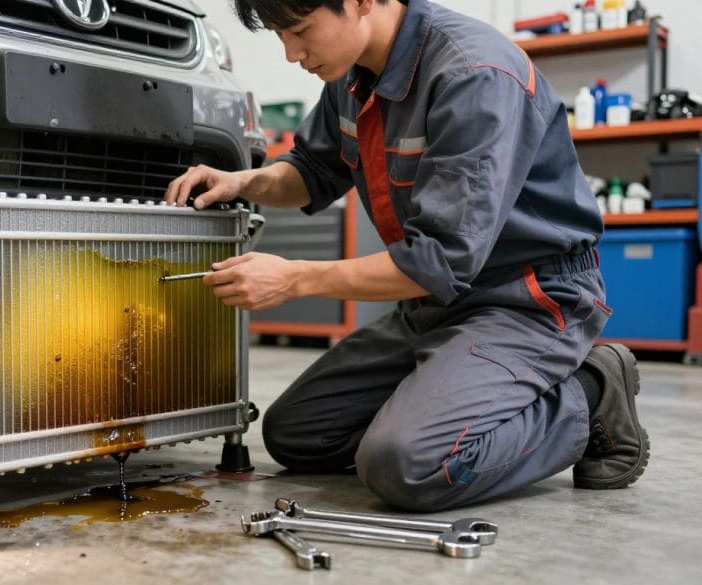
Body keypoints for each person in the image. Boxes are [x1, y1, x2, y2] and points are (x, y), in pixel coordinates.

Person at [163, 0, 649, 511]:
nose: (291, 54)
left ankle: (592, 390)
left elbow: (439, 259)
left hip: (525, 300)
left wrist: (294, 279)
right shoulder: (352, 79)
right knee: (297, 435)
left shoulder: (474, 74)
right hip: (433, 305)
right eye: (281, 37)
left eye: (301, 31)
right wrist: (243, 180)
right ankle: (442, 403)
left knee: (409, 465)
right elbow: (310, 171)